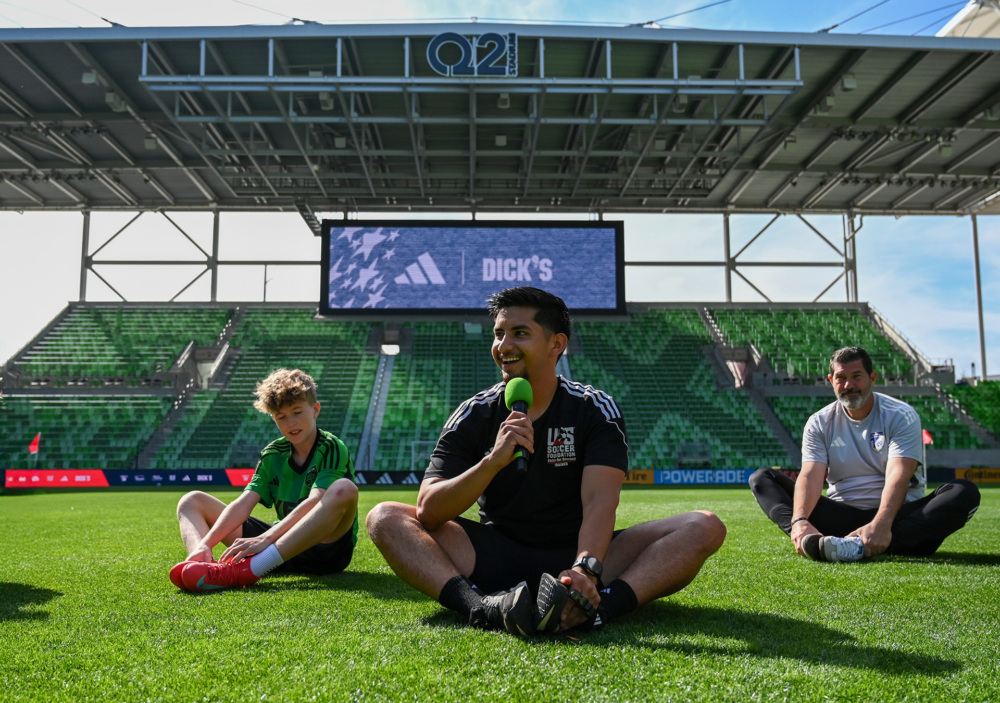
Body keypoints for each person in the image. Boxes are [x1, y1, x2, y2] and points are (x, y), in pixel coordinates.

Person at [366, 287, 726, 636]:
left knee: (705, 525)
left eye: (520, 333)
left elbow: (600, 502)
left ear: (557, 344)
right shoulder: (474, 413)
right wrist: (492, 461)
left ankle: (596, 609)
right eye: (499, 334)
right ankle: (483, 608)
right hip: (493, 554)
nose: (504, 346)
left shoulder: (594, 408)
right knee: (384, 517)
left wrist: (586, 568)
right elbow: (428, 510)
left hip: (578, 554)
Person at [750, 346, 980, 562]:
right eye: (841, 378)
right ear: (831, 381)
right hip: (842, 517)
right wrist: (800, 521)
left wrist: (881, 524)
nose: (849, 384)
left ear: (872, 377)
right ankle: (809, 538)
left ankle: (857, 546)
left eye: (857, 376)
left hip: (897, 517)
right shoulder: (819, 422)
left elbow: (898, 475)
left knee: (963, 492)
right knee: (762, 478)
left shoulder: (900, 415)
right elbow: (810, 475)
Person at [170, 368, 359, 591]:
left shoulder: (331, 447)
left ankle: (249, 570)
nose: (291, 423)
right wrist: (206, 543)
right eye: (281, 417)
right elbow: (243, 503)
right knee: (192, 501)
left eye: (297, 412)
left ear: (315, 410)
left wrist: (267, 538)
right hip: (279, 545)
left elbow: (315, 502)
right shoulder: (273, 453)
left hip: (324, 551)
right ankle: (202, 565)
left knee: (344, 489)